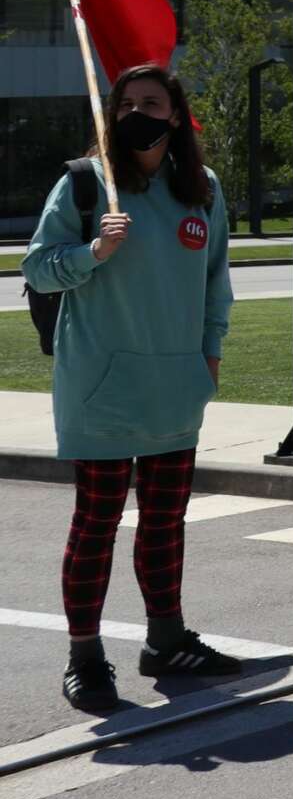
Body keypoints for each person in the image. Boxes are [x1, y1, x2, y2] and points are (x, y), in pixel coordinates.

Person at [27, 65, 240, 713]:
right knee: (95, 524)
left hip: (175, 386)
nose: (137, 113)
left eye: (151, 102)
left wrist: (210, 353)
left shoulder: (201, 188)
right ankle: (86, 657)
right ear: (110, 115)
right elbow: (38, 266)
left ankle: (167, 639)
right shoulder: (87, 184)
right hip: (101, 387)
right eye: (126, 104)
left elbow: (216, 282)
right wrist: (92, 251)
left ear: (176, 114)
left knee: (165, 522)